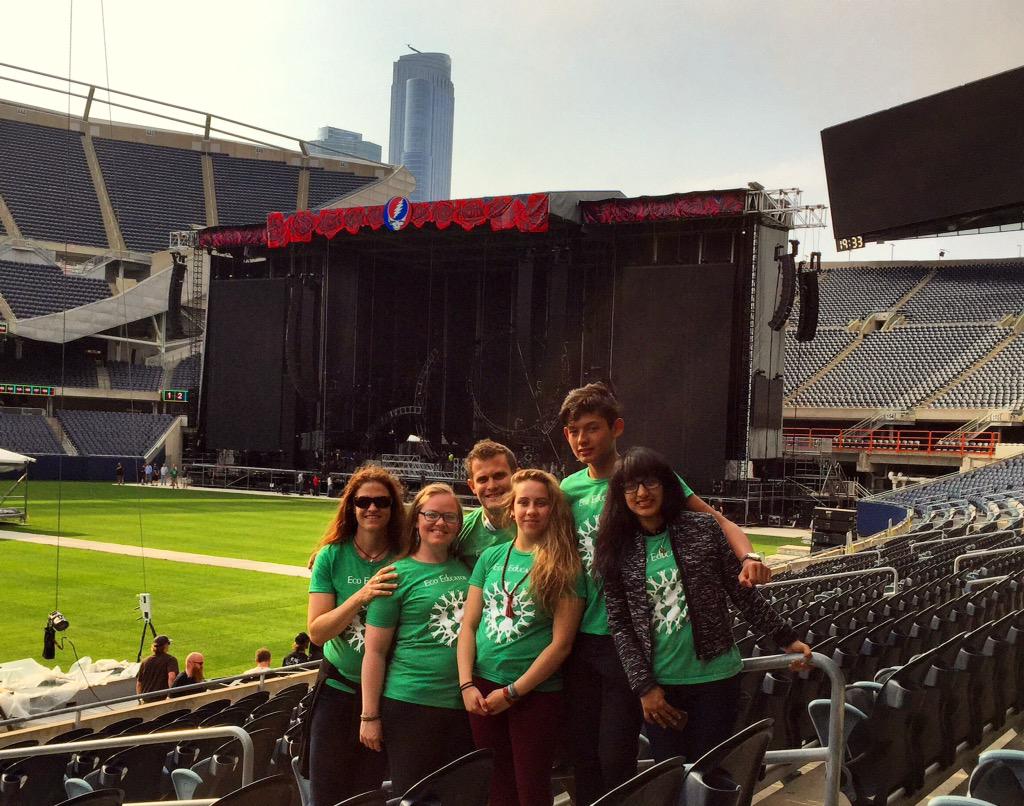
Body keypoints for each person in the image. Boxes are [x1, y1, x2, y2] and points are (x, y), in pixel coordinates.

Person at [558, 381, 772, 804]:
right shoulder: (566, 490)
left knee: (618, 756)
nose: (583, 439)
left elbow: (716, 522)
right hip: (578, 638)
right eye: (574, 431)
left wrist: (749, 556)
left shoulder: (645, 477)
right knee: (582, 754)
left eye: (592, 428)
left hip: (629, 642)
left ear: (616, 428)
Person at [598, 447, 812, 762]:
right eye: (631, 486)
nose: (642, 493)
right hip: (661, 689)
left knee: (711, 773)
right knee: (672, 776)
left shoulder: (703, 528)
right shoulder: (616, 547)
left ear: (666, 485)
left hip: (717, 680)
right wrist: (644, 686)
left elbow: (741, 593)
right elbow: (620, 623)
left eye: (650, 482)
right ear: (620, 494)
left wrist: (786, 638)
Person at [458, 469, 585, 806]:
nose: (531, 510)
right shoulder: (491, 557)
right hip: (482, 688)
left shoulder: (565, 564)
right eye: (523, 502)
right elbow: (469, 625)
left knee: (531, 790)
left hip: (534, 693)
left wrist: (513, 693)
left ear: (552, 509)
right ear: (511, 509)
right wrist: (466, 684)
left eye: (541, 503)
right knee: (496, 787)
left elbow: (561, 645)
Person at [360, 483, 473, 794]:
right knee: (413, 797)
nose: (440, 523)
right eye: (431, 515)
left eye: (450, 517)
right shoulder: (395, 575)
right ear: (416, 520)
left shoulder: (467, 568)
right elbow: (375, 652)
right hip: (411, 704)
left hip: (462, 704)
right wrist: (369, 715)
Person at [305, 466, 407, 805]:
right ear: (351, 507)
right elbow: (317, 632)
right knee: (325, 794)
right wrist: (361, 596)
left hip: (385, 693)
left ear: (393, 507)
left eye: (382, 501)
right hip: (337, 690)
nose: (372, 508)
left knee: (366, 794)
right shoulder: (332, 556)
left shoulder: (405, 556)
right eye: (363, 501)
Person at [455, 439, 518, 569]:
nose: (492, 486)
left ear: (516, 477)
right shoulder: (459, 532)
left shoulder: (541, 525)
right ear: (472, 486)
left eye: (499, 476)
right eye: (482, 479)